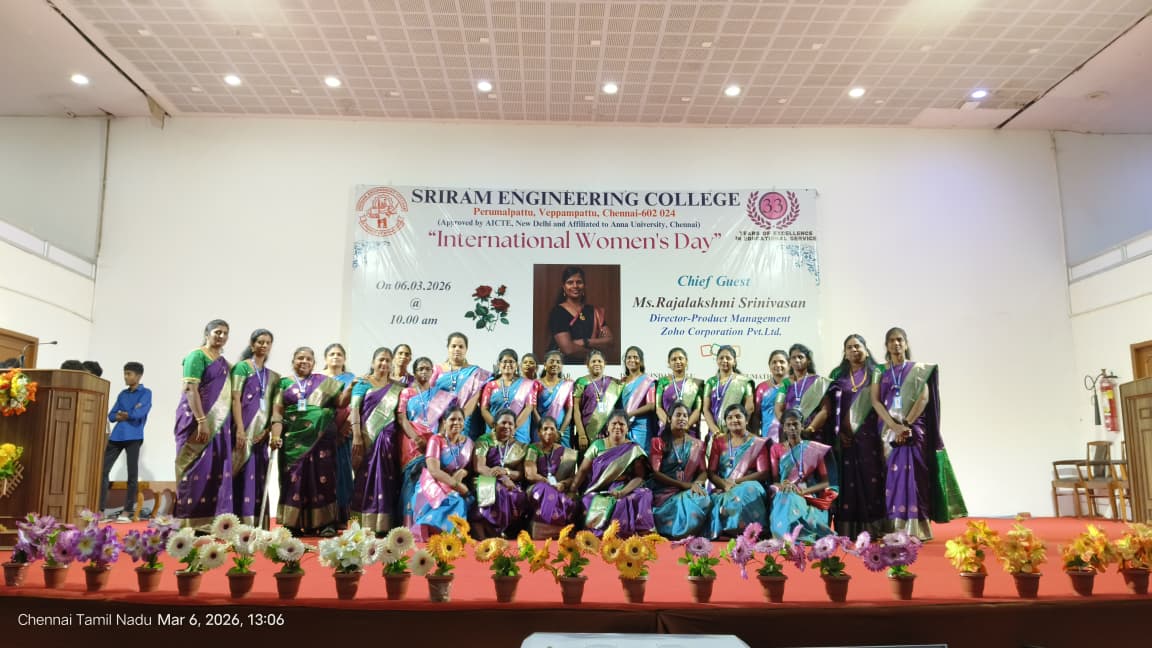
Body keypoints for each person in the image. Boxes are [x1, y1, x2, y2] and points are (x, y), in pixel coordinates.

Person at [870, 327, 967, 540]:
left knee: (915, 476)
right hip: (888, 431)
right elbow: (875, 401)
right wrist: (894, 427)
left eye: (899, 340)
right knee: (892, 477)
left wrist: (906, 425)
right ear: (886, 345)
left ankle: (917, 528)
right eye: (891, 340)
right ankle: (895, 527)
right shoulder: (879, 370)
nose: (896, 344)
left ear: (906, 343)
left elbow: (924, 398)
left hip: (914, 430)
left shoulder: (919, 370)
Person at [268, 346, 351, 537]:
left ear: (314, 363)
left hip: (322, 440)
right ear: (293, 361)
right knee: (293, 481)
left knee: (323, 480)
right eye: (300, 358)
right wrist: (275, 435)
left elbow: (341, 403)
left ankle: (325, 524)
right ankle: (293, 524)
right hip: (293, 442)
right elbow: (277, 413)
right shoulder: (283, 383)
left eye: (308, 359)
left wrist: (352, 388)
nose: (304, 361)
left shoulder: (325, 382)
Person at [822, 334, 887, 538]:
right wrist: (839, 432)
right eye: (849, 347)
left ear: (866, 350)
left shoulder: (877, 373)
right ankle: (848, 529)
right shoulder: (837, 374)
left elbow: (884, 403)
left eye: (858, 346)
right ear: (845, 353)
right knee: (847, 481)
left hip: (871, 437)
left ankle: (874, 528)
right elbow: (830, 408)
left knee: (871, 480)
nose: (854, 350)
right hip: (844, 439)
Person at [174, 319, 234, 531]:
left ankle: (210, 523)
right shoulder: (196, 356)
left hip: (218, 425)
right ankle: (188, 521)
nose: (221, 336)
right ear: (207, 334)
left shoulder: (225, 364)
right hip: (195, 421)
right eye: (217, 332)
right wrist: (201, 421)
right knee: (193, 468)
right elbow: (190, 389)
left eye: (225, 333)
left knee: (215, 469)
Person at [569, 410, 654, 537]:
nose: (617, 427)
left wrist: (623, 492)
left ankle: (642, 533)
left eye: (622, 424)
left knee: (644, 494)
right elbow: (582, 471)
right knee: (588, 499)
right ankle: (598, 535)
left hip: (626, 488)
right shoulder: (597, 445)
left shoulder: (634, 449)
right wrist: (572, 490)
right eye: (614, 423)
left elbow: (639, 477)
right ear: (608, 426)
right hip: (601, 489)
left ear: (627, 428)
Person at [349, 347, 404, 535]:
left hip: (390, 443)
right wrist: (357, 436)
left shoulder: (398, 388)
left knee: (387, 480)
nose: (384, 363)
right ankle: (360, 523)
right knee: (365, 479)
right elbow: (354, 410)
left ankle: (385, 524)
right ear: (373, 362)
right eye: (381, 359)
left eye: (388, 360)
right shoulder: (363, 384)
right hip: (366, 439)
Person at [229, 329, 280, 526]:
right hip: (242, 432)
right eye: (260, 342)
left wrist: (267, 432)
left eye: (268, 342)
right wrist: (240, 430)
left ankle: (256, 524)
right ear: (252, 345)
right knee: (240, 475)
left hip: (261, 436)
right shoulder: (242, 368)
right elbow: (235, 399)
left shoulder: (273, 377)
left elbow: (275, 410)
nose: (264, 345)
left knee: (258, 475)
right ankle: (235, 524)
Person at [769, 408, 836, 542]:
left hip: (807, 492)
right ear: (783, 428)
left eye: (795, 424)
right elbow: (775, 480)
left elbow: (826, 482)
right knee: (786, 496)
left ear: (802, 426)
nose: (792, 428)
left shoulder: (814, 448)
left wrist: (802, 491)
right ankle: (785, 534)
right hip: (784, 490)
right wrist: (783, 485)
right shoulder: (776, 449)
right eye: (788, 425)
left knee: (793, 498)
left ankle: (797, 535)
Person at [649, 401, 711, 539]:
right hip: (664, 492)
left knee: (703, 498)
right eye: (678, 415)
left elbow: (703, 472)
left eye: (685, 416)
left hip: (688, 490)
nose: (682, 418)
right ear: (669, 419)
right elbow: (655, 473)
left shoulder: (697, 444)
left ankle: (688, 532)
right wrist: (683, 485)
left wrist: (696, 484)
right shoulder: (658, 442)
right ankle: (674, 532)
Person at [707, 404, 771, 539]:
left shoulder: (757, 442)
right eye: (730, 418)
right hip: (724, 486)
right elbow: (711, 472)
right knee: (715, 498)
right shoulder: (719, 442)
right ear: (726, 422)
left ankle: (750, 531)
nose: (734, 420)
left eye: (738, 416)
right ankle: (727, 531)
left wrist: (736, 481)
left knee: (747, 490)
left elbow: (763, 472)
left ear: (746, 420)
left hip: (749, 484)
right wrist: (724, 485)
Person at [99, 361, 152, 523]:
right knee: (102, 470)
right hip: (116, 436)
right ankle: (100, 510)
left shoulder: (146, 393)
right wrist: (126, 414)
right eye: (125, 373)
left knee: (132, 474)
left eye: (129, 374)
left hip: (134, 436)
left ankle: (127, 511)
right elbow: (111, 415)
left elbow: (138, 413)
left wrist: (125, 414)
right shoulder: (122, 394)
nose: (125, 376)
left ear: (139, 376)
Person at [412, 407, 474, 540]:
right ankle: (433, 530)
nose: (456, 423)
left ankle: (451, 537)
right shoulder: (436, 440)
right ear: (444, 422)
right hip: (433, 481)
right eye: (452, 419)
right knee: (455, 499)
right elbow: (433, 470)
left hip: (455, 482)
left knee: (463, 499)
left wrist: (463, 472)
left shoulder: (468, 443)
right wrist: (456, 484)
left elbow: (471, 468)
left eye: (460, 419)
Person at [397, 356, 444, 528]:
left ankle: (424, 524)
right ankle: (407, 523)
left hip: (433, 442)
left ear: (432, 372)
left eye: (427, 369)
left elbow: (443, 420)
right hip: (411, 442)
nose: (424, 372)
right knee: (411, 481)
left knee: (429, 481)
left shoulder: (439, 394)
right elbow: (402, 418)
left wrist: (436, 440)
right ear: (414, 372)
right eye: (420, 369)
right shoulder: (407, 393)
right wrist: (416, 438)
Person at [472, 408, 528, 538]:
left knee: (517, 495)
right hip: (485, 478)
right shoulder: (484, 441)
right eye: (503, 422)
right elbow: (479, 466)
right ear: (495, 425)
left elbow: (520, 474)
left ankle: (507, 530)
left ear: (514, 428)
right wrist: (502, 477)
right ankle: (492, 530)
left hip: (510, 482)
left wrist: (507, 472)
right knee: (498, 490)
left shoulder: (520, 447)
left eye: (510, 424)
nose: (507, 426)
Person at [523, 416, 578, 539]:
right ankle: (543, 531)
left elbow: (572, 478)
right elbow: (530, 474)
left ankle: (558, 531)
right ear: (539, 432)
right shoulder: (533, 449)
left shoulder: (566, 452)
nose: (549, 432)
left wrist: (563, 484)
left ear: (557, 432)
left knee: (570, 499)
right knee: (545, 491)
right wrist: (547, 482)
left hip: (559, 487)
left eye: (552, 429)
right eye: (545, 429)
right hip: (537, 488)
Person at [321, 343, 356, 529]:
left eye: (339, 354)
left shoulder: (351, 379)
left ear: (344, 359)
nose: (335, 357)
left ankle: (342, 516)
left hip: (344, 433)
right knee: (322, 473)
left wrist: (344, 429)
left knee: (342, 474)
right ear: (325, 358)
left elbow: (355, 405)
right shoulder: (318, 378)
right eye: (332, 354)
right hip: (321, 434)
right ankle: (322, 516)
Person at [548, 266, 614, 363]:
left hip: (590, 367)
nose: (575, 286)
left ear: (584, 285)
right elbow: (568, 349)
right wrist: (595, 354)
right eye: (570, 282)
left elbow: (609, 341)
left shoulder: (594, 312)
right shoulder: (558, 312)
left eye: (579, 282)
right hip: (564, 367)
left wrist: (584, 341)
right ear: (564, 287)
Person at [431, 332, 491, 439]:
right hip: (440, 422)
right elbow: (429, 398)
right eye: (453, 346)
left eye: (461, 346)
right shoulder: (436, 370)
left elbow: (475, 399)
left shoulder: (476, 372)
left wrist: (458, 420)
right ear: (448, 348)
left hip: (466, 422)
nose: (457, 349)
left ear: (466, 349)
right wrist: (445, 424)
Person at [774, 343, 830, 442]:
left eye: (800, 357)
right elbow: (778, 409)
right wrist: (787, 426)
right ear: (790, 362)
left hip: (812, 434)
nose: (797, 360)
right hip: (789, 434)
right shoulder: (785, 383)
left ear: (808, 360)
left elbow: (825, 410)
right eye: (793, 358)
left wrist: (810, 429)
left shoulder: (819, 382)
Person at [480, 348, 536, 444]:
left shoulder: (526, 384)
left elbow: (529, 407)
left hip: (518, 435)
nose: (508, 364)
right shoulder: (490, 385)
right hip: (495, 434)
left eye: (511, 362)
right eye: (505, 361)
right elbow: (484, 409)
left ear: (516, 365)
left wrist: (513, 427)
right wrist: (497, 427)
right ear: (499, 364)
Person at [701, 345, 755, 445]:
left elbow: (749, 408)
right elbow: (706, 409)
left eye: (728, 358)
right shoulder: (710, 382)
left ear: (734, 362)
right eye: (721, 358)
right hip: (715, 434)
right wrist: (715, 431)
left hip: (737, 434)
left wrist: (738, 427)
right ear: (717, 360)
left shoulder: (744, 382)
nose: (724, 360)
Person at [572, 349, 622, 453]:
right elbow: (576, 409)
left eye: (600, 361)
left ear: (605, 364)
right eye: (593, 361)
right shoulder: (581, 382)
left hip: (609, 434)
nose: (597, 364)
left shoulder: (614, 383)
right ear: (587, 365)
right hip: (587, 433)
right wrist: (581, 434)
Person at [654, 347, 703, 438]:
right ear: (669, 363)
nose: (677, 361)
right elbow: (658, 408)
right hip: (667, 431)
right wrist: (670, 426)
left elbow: (697, 409)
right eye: (674, 359)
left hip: (688, 431)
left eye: (680, 358)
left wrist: (686, 426)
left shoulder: (695, 384)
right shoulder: (663, 382)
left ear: (686, 361)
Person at [620, 345, 657, 453]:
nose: (632, 360)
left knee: (641, 458)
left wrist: (630, 414)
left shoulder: (648, 381)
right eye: (629, 357)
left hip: (641, 427)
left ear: (641, 361)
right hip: (622, 426)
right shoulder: (622, 382)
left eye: (635, 357)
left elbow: (651, 405)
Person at [537, 350, 575, 448]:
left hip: (562, 431)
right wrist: (543, 429)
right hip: (540, 430)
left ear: (561, 366)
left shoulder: (567, 385)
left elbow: (569, 411)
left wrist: (560, 432)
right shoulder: (536, 384)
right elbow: (532, 409)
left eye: (558, 362)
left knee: (562, 456)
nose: (555, 364)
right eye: (552, 361)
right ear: (545, 364)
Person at [753, 350, 789, 442]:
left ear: (789, 365)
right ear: (769, 366)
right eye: (774, 362)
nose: (778, 365)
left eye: (782, 362)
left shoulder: (795, 386)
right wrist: (757, 439)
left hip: (791, 439)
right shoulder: (761, 388)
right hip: (768, 439)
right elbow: (756, 416)